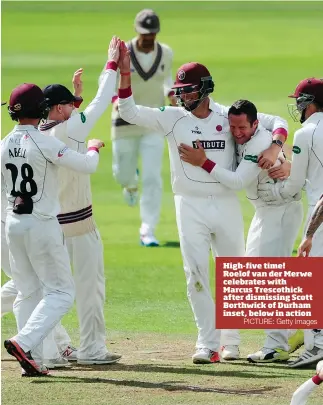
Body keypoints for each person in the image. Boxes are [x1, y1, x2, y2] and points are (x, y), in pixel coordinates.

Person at [117, 41, 290, 363]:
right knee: (195, 274)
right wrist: (124, 71)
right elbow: (127, 110)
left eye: (188, 90)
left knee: (234, 272)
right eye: (179, 90)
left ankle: (232, 342)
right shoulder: (171, 118)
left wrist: (275, 146)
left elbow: (278, 120)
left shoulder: (229, 116)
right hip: (189, 205)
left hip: (225, 203)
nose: (181, 96)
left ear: (205, 89)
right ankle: (206, 343)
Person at [178, 99, 304, 362]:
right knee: (253, 273)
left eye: (242, 128)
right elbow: (279, 124)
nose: (236, 132)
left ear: (255, 124)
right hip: (265, 209)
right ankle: (293, 330)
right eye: (232, 127)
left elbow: (236, 181)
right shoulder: (234, 122)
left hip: (280, 209)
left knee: (267, 276)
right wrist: (280, 149)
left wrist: (203, 162)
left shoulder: (258, 141)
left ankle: (277, 344)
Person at [1, 82, 105, 376]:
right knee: (61, 292)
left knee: (27, 291)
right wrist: (95, 148)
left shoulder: (4, 143)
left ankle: (32, 359)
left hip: (13, 225)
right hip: (42, 224)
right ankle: (24, 342)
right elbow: (86, 165)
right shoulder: (45, 141)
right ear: (43, 110)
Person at [36, 36, 123, 365]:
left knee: (48, 290)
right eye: (71, 104)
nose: (77, 107)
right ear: (60, 108)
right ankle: (92, 350)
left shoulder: (41, 132)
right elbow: (102, 103)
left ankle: (55, 348)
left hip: (50, 226)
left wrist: (77, 98)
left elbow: (79, 117)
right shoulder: (69, 131)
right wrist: (111, 65)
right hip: (79, 225)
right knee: (90, 288)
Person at [258, 77, 323, 367]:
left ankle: (317, 345)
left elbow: (296, 184)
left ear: (307, 104)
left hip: (319, 213)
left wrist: (273, 191)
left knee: (313, 279)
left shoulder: (307, 132)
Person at [100, 9, 175, 247]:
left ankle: (148, 230)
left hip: (153, 122)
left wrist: (172, 96)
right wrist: (117, 102)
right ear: (136, 30)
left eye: (152, 33)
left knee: (153, 178)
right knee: (122, 174)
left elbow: (167, 81)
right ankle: (130, 183)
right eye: (145, 33)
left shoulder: (166, 53)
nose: (148, 38)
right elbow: (107, 83)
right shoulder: (122, 52)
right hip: (124, 123)